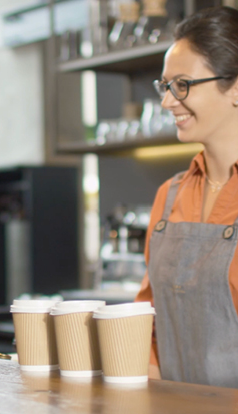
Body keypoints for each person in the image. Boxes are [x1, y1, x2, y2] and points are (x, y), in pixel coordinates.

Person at [135, 6, 238, 388]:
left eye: (183, 84)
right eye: (165, 86)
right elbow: (147, 320)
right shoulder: (169, 196)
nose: (167, 102)